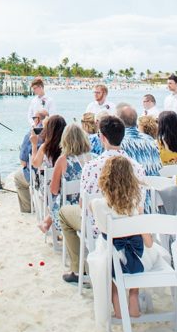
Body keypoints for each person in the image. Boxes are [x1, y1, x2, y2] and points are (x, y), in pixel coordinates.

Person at [59, 115, 145, 284]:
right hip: (131, 229)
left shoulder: (91, 166)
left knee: (63, 214)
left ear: (102, 137)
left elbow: (84, 205)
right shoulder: (137, 166)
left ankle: (78, 269)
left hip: (100, 229)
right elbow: (140, 205)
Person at [92, 155, 157, 319]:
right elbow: (148, 243)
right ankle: (133, 297)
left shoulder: (97, 205)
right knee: (142, 255)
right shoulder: (136, 204)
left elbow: (102, 233)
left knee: (111, 266)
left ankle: (119, 308)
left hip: (112, 255)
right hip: (136, 255)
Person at [46, 123, 90, 236]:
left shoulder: (63, 160)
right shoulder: (92, 157)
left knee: (57, 198)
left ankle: (47, 222)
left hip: (70, 209)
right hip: (90, 206)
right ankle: (46, 222)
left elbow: (54, 190)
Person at [13, 109, 48, 214]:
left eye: (34, 118)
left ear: (37, 120)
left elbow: (23, 162)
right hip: (51, 173)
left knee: (17, 178)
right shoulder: (55, 134)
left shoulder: (30, 135)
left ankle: (27, 208)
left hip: (36, 175)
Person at [117, 104, 161, 177]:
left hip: (134, 185)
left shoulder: (120, 142)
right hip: (154, 184)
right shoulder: (149, 139)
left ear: (119, 121)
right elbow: (158, 167)